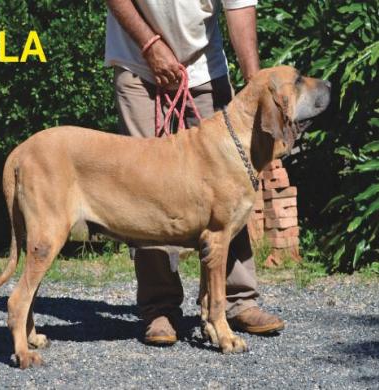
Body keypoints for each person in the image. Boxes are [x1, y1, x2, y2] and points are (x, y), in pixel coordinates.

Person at [105, 0, 285, 345]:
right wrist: (149, 46)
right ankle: (160, 308)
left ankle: (237, 301)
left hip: (204, 68)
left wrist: (255, 85)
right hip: (137, 62)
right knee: (146, 189)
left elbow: (240, 7)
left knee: (230, 187)